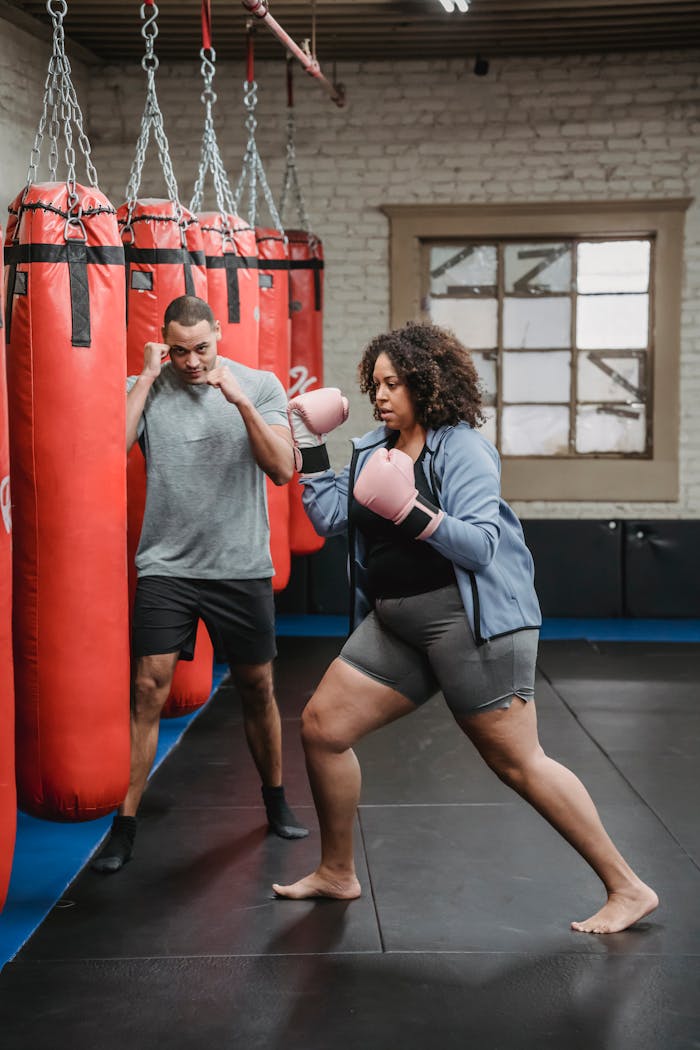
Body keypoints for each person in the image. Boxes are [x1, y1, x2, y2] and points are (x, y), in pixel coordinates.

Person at [273, 321, 658, 935]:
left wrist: (412, 510)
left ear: (427, 385)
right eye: (374, 384)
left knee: (518, 763)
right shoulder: (373, 447)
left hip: (468, 621)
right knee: (322, 728)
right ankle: (337, 871)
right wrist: (308, 445)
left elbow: (480, 545)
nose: (380, 395)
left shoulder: (463, 448)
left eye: (393, 384)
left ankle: (627, 886)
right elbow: (324, 518)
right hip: (396, 623)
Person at [92, 294, 308, 873]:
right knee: (147, 688)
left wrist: (240, 402)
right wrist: (143, 375)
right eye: (179, 350)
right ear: (166, 342)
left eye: (201, 348)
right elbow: (109, 448)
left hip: (240, 565)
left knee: (256, 686)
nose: (191, 361)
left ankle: (276, 801)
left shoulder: (259, 385)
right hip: (167, 565)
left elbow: (284, 470)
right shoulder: (152, 384)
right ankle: (126, 822)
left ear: (219, 334)